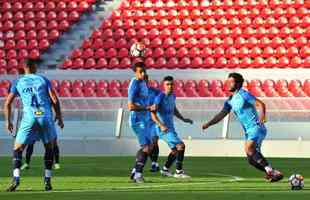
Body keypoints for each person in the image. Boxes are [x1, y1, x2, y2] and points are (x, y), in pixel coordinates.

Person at [202, 73, 283, 182]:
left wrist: (262, 117)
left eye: (232, 81)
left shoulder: (243, 94)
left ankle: (270, 171)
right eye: (228, 81)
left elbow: (260, 104)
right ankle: (273, 173)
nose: (229, 83)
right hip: (249, 131)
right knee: (251, 160)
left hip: (256, 127)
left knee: (249, 149)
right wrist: (208, 124)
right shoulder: (230, 101)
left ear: (239, 83)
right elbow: (221, 115)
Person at [4, 59, 64, 191]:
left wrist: (8, 121)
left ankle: (16, 180)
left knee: (18, 149)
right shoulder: (43, 80)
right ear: (34, 67)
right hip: (45, 116)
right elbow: (54, 98)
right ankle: (47, 181)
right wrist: (59, 116)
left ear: (24, 68)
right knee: (49, 148)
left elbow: (7, 103)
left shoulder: (18, 82)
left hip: (29, 117)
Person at [151, 76, 193, 178]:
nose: (170, 86)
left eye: (171, 84)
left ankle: (165, 170)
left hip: (170, 128)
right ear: (163, 86)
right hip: (163, 128)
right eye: (167, 84)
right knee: (181, 146)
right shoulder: (160, 97)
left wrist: (183, 119)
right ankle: (179, 171)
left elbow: (173, 109)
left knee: (175, 150)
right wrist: (161, 125)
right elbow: (153, 113)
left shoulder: (173, 96)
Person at [128, 62, 155, 183]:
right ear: (135, 72)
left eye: (144, 71)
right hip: (137, 119)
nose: (143, 74)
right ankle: (138, 175)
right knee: (146, 147)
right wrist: (147, 108)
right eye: (140, 72)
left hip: (145, 118)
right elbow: (130, 106)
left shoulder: (143, 82)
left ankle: (135, 171)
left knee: (150, 147)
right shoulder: (134, 84)